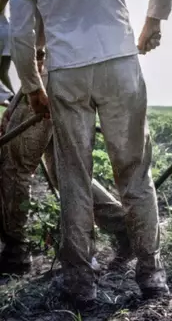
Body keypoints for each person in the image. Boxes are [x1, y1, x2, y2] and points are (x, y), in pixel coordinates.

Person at [10, 0, 172, 308]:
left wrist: (32, 85)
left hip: (66, 68)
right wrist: (154, 21)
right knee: (135, 172)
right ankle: (152, 276)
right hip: (119, 60)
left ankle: (81, 285)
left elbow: (21, 29)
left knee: (75, 180)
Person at [0, 46, 133, 275]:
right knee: (65, 170)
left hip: (44, 74)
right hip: (71, 72)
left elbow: (29, 36)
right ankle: (123, 227)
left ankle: (16, 251)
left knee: (14, 167)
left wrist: (30, 87)